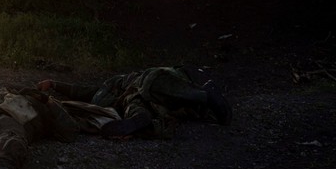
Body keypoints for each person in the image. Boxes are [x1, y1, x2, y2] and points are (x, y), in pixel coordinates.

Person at [37, 66, 233, 139]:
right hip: (134, 98)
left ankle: (206, 96)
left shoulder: (119, 80)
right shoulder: (110, 97)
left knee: (161, 88)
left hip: (145, 81)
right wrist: (53, 85)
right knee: (135, 106)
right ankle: (139, 120)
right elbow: (81, 92)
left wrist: (55, 83)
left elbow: (80, 89)